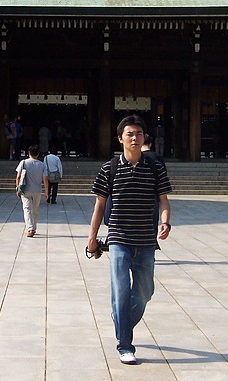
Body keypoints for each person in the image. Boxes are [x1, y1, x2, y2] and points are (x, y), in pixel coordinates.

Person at [87, 114, 172, 365]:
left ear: (145, 138)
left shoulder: (155, 167)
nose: (135, 138)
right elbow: (99, 206)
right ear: (120, 139)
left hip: (146, 240)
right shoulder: (109, 169)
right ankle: (125, 344)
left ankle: (120, 321)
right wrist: (92, 238)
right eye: (130, 134)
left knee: (145, 292)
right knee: (121, 293)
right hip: (119, 239)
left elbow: (164, 201)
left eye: (139, 134)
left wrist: (165, 222)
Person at [15, 144, 48, 237]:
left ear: (28, 153)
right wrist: (46, 191)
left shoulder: (23, 162)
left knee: (27, 209)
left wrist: (17, 188)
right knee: (35, 210)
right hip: (37, 190)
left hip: (25, 190)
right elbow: (45, 178)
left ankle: (30, 228)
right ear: (38, 154)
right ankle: (34, 227)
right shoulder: (42, 165)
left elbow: (18, 177)